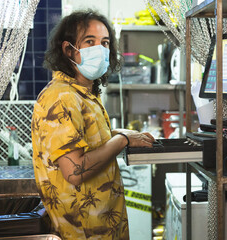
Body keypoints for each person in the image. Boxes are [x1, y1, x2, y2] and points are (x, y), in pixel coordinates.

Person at [31, 10, 155, 239]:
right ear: (68, 50)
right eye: (90, 42)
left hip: (101, 225)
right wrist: (121, 140)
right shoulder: (62, 97)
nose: (101, 49)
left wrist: (119, 133)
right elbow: (75, 171)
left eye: (105, 42)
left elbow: (85, 139)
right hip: (83, 231)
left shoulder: (81, 93)